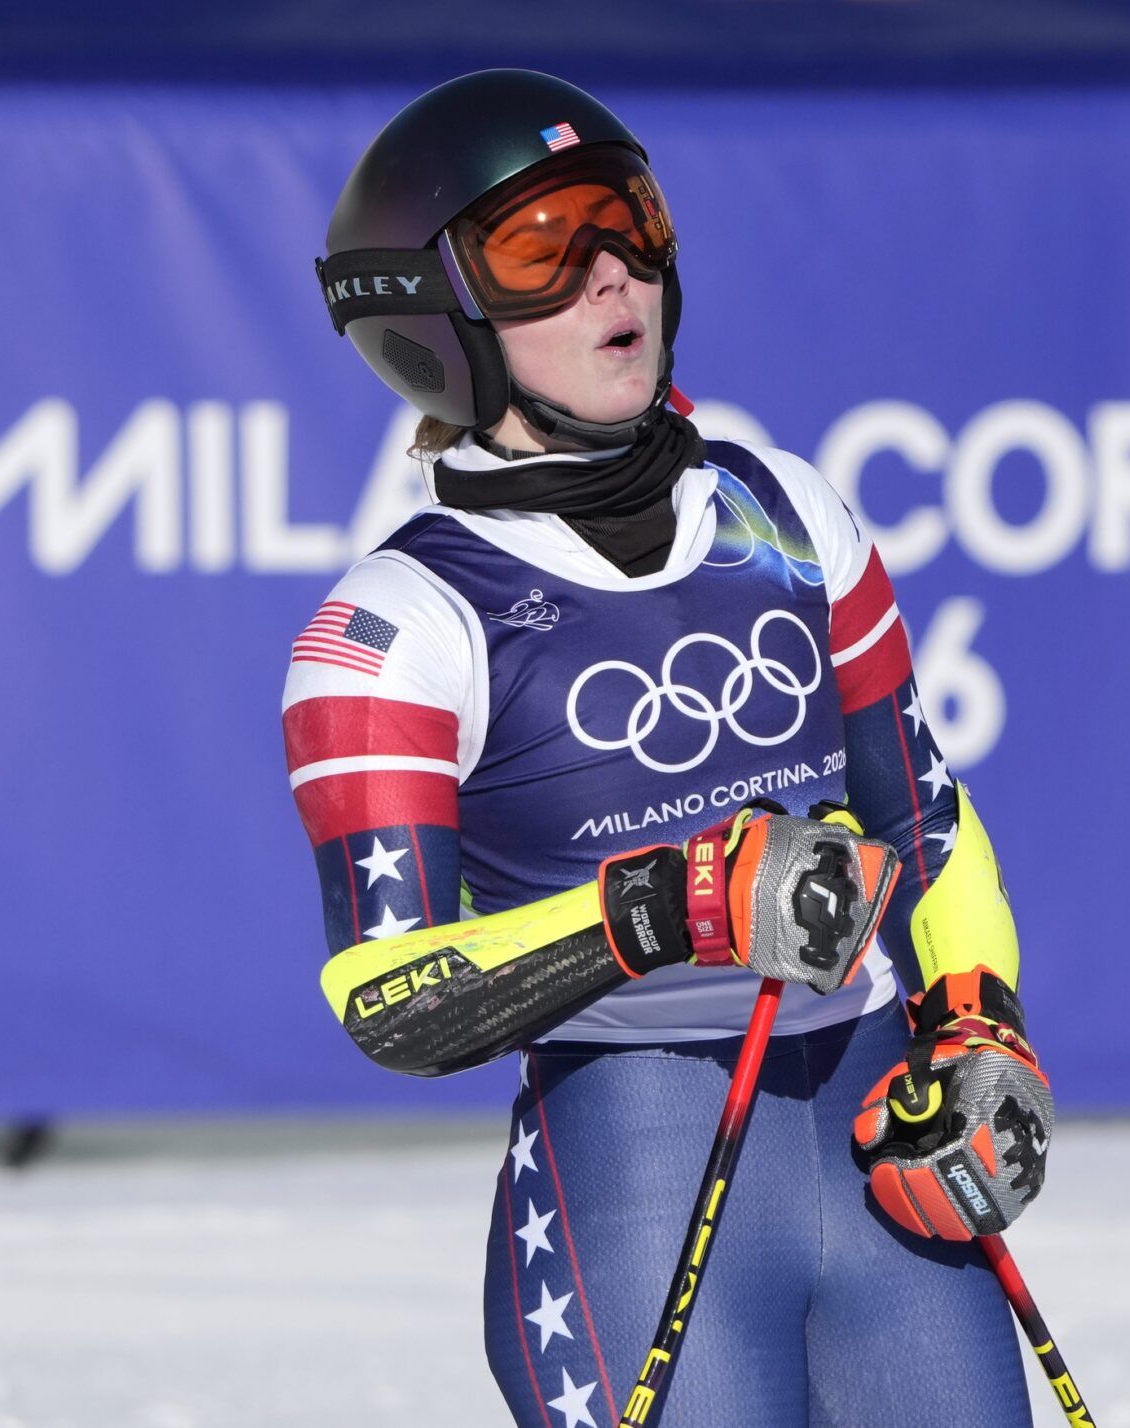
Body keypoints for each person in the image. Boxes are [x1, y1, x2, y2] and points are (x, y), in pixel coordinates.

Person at [286, 70, 1053, 1427]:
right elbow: (387, 994)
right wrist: (669, 906)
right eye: (541, 248)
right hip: (637, 1164)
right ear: (431, 314)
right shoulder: (396, 626)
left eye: (629, 220)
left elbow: (919, 814)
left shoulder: (786, 510)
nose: (612, 274)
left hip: (874, 1132)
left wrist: (979, 1028)